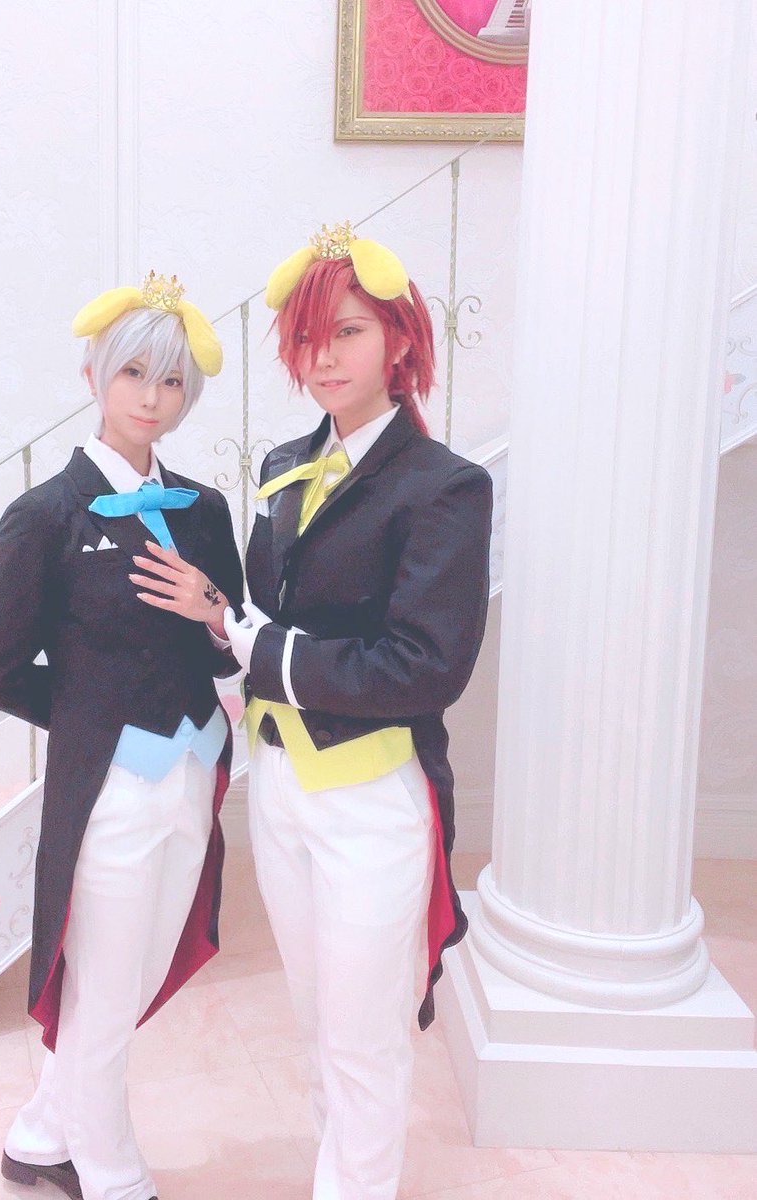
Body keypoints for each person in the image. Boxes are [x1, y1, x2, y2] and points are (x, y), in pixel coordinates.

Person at [224, 222, 493, 1200]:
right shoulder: (282, 465)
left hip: (374, 796)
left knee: (365, 1035)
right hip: (278, 786)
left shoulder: (444, 486)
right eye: (306, 338)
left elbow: (424, 667)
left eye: (346, 332)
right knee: (313, 1020)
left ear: (400, 339)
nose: (323, 358)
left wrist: (264, 654)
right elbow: (262, 609)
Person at [0, 270, 243, 1200]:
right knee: (104, 985)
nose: (151, 398)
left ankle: (40, 1132)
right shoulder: (44, 516)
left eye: (170, 381)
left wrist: (213, 609)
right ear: (94, 374)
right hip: (111, 792)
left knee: (136, 976)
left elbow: (228, 645)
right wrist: (96, 719)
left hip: (195, 769)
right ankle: (111, 1170)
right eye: (133, 374)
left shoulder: (205, 510)